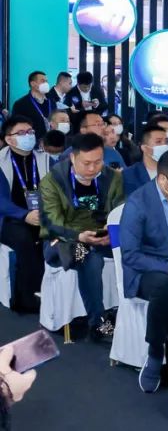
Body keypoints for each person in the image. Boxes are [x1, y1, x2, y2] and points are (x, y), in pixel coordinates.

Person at [118, 150, 168, 393]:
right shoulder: (138, 203)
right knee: (165, 287)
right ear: (163, 180)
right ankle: (155, 351)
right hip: (147, 268)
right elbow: (130, 254)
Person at [40, 133, 124, 342]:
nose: (92, 168)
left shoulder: (112, 177)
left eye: (98, 162)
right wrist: (79, 236)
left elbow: (121, 210)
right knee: (89, 257)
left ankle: (130, 317)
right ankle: (98, 323)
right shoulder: (52, 181)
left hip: (101, 236)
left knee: (132, 249)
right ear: (72, 158)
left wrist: (111, 230)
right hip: (62, 241)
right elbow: (52, 223)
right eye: (86, 163)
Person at [0, 118, 49, 313]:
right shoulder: (1, 161)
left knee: (57, 236)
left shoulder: (45, 159)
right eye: (21, 133)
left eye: (30, 131)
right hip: (10, 218)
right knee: (25, 238)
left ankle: (56, 294)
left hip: (42, 215)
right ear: (9, 139)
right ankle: (28, 299)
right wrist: (24, 215)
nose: (28, 136)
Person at [122, 124, 168, 195]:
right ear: (144, 148)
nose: (164, 146)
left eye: (166, 142)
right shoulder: (128, 175)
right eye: (158, 142)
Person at [11, 71, 54, 140]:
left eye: (47, 81)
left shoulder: (51, 101)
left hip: (52, 140)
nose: (46, 84)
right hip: (32, 141)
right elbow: (16, 125)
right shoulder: (21, 104)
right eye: (43, 81)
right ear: (33, 84)